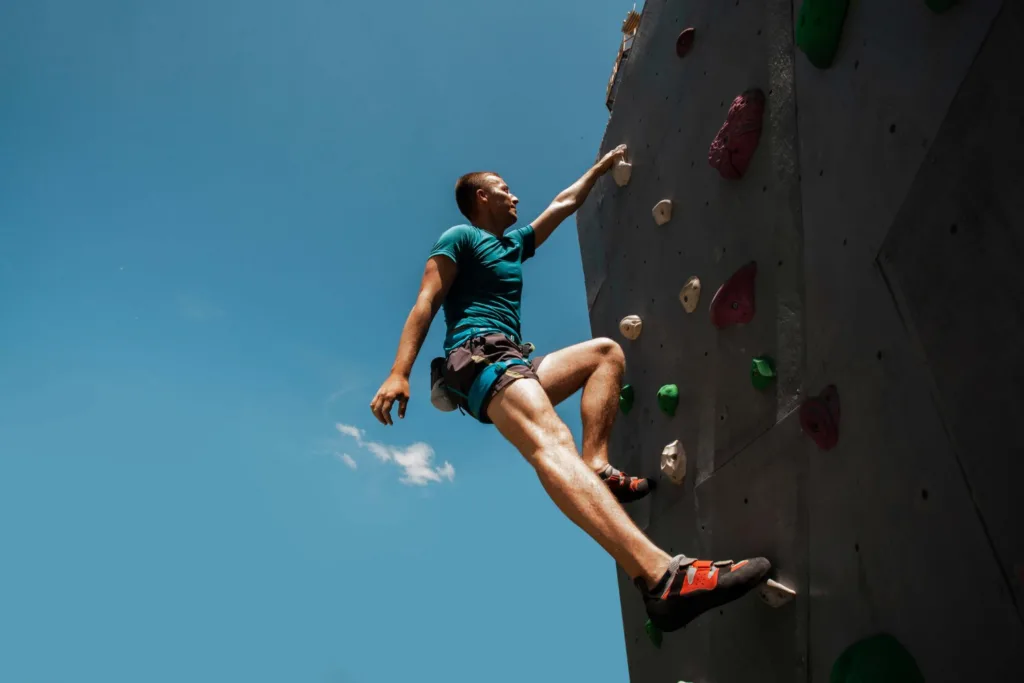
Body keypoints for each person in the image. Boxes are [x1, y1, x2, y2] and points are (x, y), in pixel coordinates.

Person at [369, 145, 771, 632]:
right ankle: (662, 577)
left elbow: (561, 204)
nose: (514, 195)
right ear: (481, 197)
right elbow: (426, 300)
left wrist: (599, 170)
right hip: (477, 358)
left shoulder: (512, 244)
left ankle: (596, 464)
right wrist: (398, 372)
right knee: (550, 442)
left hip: (514, 359)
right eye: (504, 189)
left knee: (605, 354)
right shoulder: (461, 237)